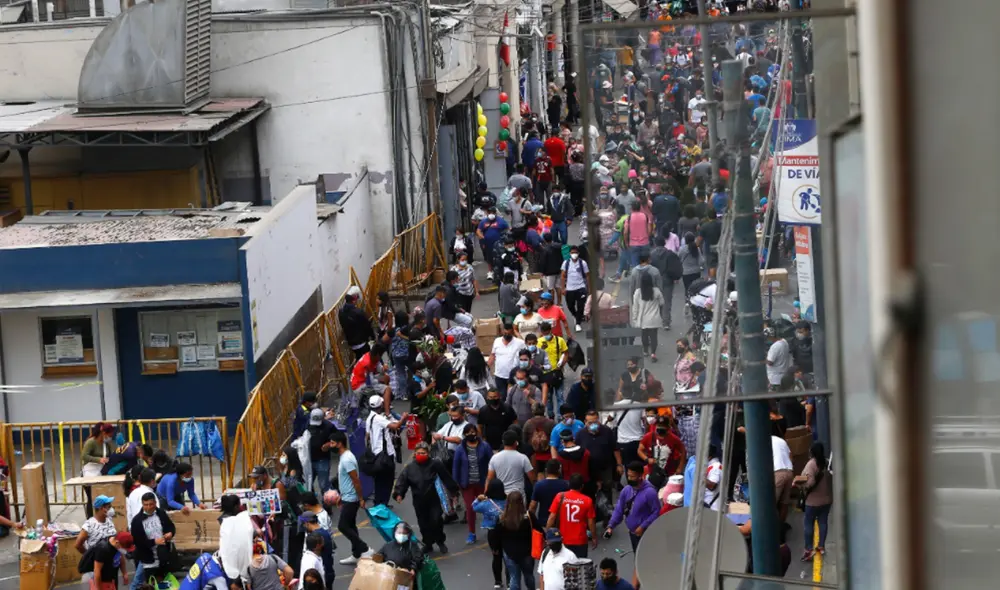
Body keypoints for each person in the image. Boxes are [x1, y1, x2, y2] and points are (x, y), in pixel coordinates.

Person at [394, 442, 459, 553]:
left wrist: (453, 492)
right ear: (415, 453)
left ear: (428, 453)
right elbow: (402, 481)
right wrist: (399, 493)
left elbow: (446, 477)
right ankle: (428, 544)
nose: (421, 454)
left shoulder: (436, 464)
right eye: (418, 453)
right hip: (419, 500)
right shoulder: (410, 468)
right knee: (423, 524)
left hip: (434, 498)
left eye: (423, 453)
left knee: (436, 520)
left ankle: (440, 541)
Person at [324, 430, 372, 566]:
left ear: (340, 444)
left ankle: (365, 549)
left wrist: (361, 498)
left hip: (352, 498)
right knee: (351, 525)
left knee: (343, 526)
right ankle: (356, 554)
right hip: (347, 496)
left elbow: (356, 480)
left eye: (333, 443)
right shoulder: (344, 457)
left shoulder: (347, 459)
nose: (331, 445)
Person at [606, 462, 661, 555]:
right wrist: (611, 526)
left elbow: (656, 512)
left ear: (640, 476)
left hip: (645, 533)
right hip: (633, 533)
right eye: (628, 476)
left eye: (632, 476)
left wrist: (642, 527)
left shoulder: (650, 493)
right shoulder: (626, 490)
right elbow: (619, 508)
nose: (629, 479)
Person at [453, 423, 493, 544]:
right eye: (468, 432)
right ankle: (472, 533)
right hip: (467, 484)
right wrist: (456, 485)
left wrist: (491, 480)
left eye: (473, 431)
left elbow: (492, 463)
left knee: (487, 507)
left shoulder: (485, 446)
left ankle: (490, 530)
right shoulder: (460, 449)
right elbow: (456, 467)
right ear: (464, 434)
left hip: (482, 483)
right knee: (471, 509)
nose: (471, 434)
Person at [366, 394, 407, 506]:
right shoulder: (379, 419)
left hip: (376, 454)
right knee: (387, 481)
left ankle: (379, 502)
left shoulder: (369, 418)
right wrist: (403, 418)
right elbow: (395, 426)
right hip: (384, 455)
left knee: (379, 481)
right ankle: (383, 503)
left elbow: (367, 435)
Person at [576, 411, 617, 517]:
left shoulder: (607, 431)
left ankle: (608, 516)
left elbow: (615, 449)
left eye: (595, 422)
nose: (593, 425)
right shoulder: (580, 434)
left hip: (605, 468)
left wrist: (619, 465)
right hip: (588, 470)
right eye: (590, 423)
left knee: (607, 491)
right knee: (589, 494)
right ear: (585, 422)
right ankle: (591, 516)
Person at [130, 492, 176, 587]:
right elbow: (138, 542)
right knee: (151, 585)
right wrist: (154, 542)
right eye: (145, 505)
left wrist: (170, 533)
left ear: (155, 503)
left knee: (164, 585)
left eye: (151, 504)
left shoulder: (161, 513)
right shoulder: (137, 521)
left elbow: (171, 527)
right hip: (148, 560)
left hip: (163, 556)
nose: (148, 507)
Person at [545, 474, 597, 559]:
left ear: (569, 484)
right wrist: (594, 537)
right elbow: (591, 522)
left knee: (564, 566)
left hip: (562, 539)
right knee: (579, 566)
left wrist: (547, 534)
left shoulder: (560, 497)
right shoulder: (587, 500)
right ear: (582, 486)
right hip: (580, 540)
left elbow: (552, 517)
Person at [798, 441, 833, 560]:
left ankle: (808, 549)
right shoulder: (827, 462)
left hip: (812, 501)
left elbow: (810, 482)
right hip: (827, 500)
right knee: (823, 523)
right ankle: (821, 546)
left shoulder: (811, 464)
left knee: (809, 524)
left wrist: (800, 485)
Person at [472, 479, 507, 589]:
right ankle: (511, 581)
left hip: (493, 534)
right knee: (508, 557)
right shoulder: (508, 502)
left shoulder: (486, 504)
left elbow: (474, 507)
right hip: (507, 533)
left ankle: (497, 581)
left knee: (496, 557)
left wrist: (478, 498)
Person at [499, 491, 536, 590]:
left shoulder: (503, 518)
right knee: (529, 576)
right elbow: (538, 530)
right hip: (527, 552)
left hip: (509, 553)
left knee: (514, 578)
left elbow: (498, 537)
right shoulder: (529, 517)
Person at [486, 430, 535, 495]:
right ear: (516, 442)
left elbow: (489, 479)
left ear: (503, 442)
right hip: (518, 496)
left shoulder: (494, 458)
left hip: (501, 496)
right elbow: (532, 479)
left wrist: (485, 493)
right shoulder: (523, 458)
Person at [538, 322, 569, 418]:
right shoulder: (539, 342)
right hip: (545, 375)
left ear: (550, 330)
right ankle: (551, 416)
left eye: (547, 333)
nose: (545, 335)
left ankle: (560, 417)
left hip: (557, 373)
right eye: (544, 333)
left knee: (560, 397)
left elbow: (566, 353)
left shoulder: (559, 341)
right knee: (548, 398)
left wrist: (562, 364)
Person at [649, 235, 681, 329]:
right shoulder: (670, 254)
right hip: (667, 280)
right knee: (667, 301)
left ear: (655, 243)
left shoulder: (651, 254)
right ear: (664, 243)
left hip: (655, 281)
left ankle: (657, 319)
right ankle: (666, 322)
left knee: (656, 300)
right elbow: (676, 266)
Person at [632, 272, 665, 362]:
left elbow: (635, 307)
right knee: (654, 336)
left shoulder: (638, 292)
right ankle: (653, 353)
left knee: (644, 335)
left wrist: (635, 319)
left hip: (643, 319)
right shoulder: (656, 291)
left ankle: (645, 351)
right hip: (654, 318)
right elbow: (662, 302)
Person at [530, 460, 570, 528]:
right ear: (559, 470)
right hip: (561, 523)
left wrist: (531, 522)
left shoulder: (539, 485)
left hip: (543, 523)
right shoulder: (566, 485)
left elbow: (533, 506)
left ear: (546, 470)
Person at [339, 285, 375, 361]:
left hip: (351, 343)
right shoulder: (359, 312)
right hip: (362, 342)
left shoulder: (341, 312)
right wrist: (373, 337)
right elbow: (367, 327)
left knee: (359, 359)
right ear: (354, 299)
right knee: (367, 360)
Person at [299, 513, 335, 588]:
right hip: (328, 570)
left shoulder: (315, 537)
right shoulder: (324, 532)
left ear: (307, 523)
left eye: (304, 524)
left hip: (324, 573)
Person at [490, 323, 525, 400]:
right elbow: (493, 355)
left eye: (509, 333)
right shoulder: (497, 341)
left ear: (512, 332)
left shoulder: (520, 343)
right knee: (502, 396)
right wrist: (487, 367)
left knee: (514, 397)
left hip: (513, 376)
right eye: (505, 333)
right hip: (499, 375)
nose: (506, 335)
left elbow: (526, 356)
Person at [77, 495, 118, 559]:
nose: (111, 509)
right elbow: (78, 545)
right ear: (101, 508)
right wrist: (89, 556)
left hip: (111, 561)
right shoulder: (89, 525)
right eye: (109, 507)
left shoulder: (109, 520)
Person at [305, 408, 335, 494]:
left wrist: (329, 444)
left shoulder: (329, 426)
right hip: (309, 459)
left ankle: (328, 503)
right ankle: (312, 502)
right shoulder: (308, 424)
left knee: (324, 485)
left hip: (322, 460)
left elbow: (339, 438)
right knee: (308, 484)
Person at [560, 245, 589, 332]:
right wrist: (563, 288)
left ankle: (578, 323)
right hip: (570, 289)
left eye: (575, 252)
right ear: (570, 253)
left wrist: (588, 288)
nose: (574, 254)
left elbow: (587, 276)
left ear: (578, 253)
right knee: (570, 306)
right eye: (572, 253)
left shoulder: (583, 263)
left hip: (580, 288)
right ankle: (576, 315)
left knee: (581, 306)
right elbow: (562, 276)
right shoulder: (566, 263)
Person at [772, 426, 795, 522]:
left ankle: (771, 529)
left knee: (771, 503)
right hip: (789, 471)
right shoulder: (782, 441)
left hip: (777, 471)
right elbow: (791, 456)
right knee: (784, 503)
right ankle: (781, 526)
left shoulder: (766, 441)